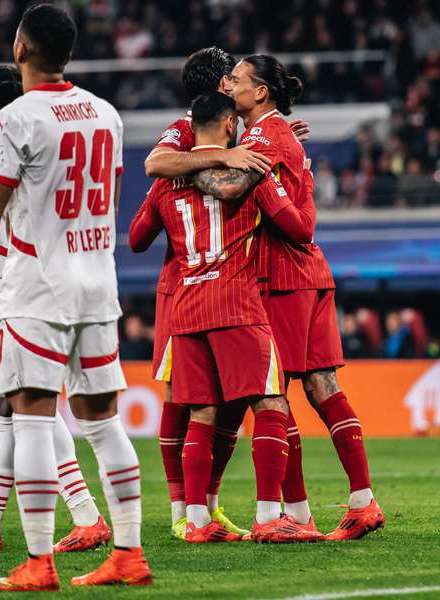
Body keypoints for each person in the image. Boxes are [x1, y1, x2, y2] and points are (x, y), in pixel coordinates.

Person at [0, 4, 150, 589]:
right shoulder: (107, 115)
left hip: (37, 288)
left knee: (31, 420)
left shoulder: (14, 120)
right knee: (104, 423)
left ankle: (39, 563)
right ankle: (129, 554)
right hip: (97, 283)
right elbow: (106, 195)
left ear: (20, 49)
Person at [193, 54, 384, 540]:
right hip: (311, 273)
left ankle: (287, 515)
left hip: (280, 277)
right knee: (322, 386)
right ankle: (361, 501)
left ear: (260, 92)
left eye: (235, 79)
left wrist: (188, 164)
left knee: (269, 395)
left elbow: (232, 189)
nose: (227, 83)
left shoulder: (263, 136)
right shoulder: (274, 134)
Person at [0, 64, 110, 555]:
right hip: (75, 277)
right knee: (12, 407)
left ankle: (86, 514)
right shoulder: (56, 128)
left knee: (30, 404)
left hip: (19, 288)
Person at [130, 91, 319, 543]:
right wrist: (301, 179)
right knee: (271, 402)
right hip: (236, 302)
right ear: (231, 126)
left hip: (186, 306)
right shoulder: (249, 169)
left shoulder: (166, 178)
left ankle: (196, 520)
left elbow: (137, 237)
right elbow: (298, 228)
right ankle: (270, 516)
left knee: (202, 413)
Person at [140, 46, 269, 541]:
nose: (238, 80)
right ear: (220, 85)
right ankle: (183, 510)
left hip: (232, 282)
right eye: (232, 75)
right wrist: (224, 155)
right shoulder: (186, 127)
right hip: (189, 283)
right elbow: (156, 164)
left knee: (223, 406)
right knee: (187, 399)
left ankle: (206, 507)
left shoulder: (246, 128)